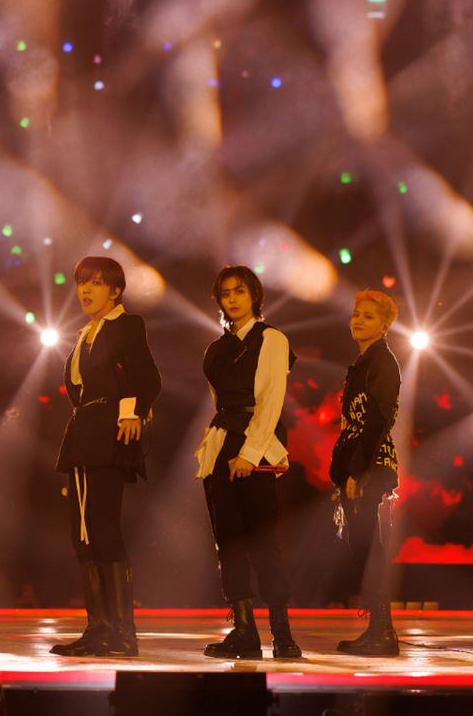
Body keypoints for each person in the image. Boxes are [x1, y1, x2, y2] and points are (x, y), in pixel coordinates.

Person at [49, 256, 161, 658]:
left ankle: (122, 633)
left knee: (104, 530)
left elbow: (146, 376)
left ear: (115, 291)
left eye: (96, 283)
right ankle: (98, 628)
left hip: (107, 435)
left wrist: (131, 412)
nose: (86, 289)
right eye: (82, 282)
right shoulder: (86, 332)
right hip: (84, 436)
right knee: (84, 534)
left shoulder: (126, 324)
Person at [194, 266, 302, 660]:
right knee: (228, 543)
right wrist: (219, 449)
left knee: (263, 541)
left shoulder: (271, 338)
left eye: (239, 291)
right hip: (221, 446)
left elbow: (270, 400)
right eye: (226, 294)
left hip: (255, 445)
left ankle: (283, 635)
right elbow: (219, 402)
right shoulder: (215, 350)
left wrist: (250, 453)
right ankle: (244, 632)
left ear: (254, 295)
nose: (233, 299)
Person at [329, 289, 402, 657]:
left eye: (368, 316)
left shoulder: (383, 362)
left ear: (385, 325)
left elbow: (378, 420)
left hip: (371, 464)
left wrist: (359, 470)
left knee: (370, 547)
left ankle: (383, 632)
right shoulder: (361, 364)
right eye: (356, 314)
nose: (358, 320)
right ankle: (377, 629)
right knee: (362, 547)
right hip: (358, 463)